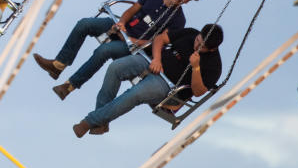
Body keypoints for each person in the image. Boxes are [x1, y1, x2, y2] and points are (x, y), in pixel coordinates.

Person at [33, 0, 202, 100]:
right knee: (84, 24)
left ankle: (69, 86)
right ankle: (59, 64)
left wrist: (133, 41)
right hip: (122, 28)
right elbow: (131, 11)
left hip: (134, 46)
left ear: (187, 1)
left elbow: (158, 42)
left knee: (103, 51)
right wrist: (121, 23)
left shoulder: (179, 20)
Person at [71, 23, 224, 138]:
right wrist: (156, 59)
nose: (196, 45)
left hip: (168, 86)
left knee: (135, 93)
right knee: (115, 67)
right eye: (198, 40)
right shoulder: (191, 33)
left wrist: (196, 67)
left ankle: (89, 121)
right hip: (153, 63)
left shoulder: (214, 65)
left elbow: (198, 92)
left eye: (201, 46)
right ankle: (102, 121)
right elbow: (160, 39)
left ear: (212, 49)